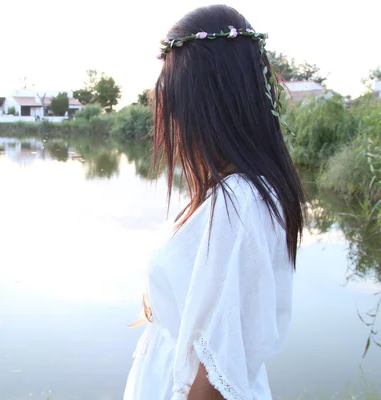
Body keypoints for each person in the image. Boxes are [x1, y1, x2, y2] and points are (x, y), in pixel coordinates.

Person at [123, 4, 306, 400]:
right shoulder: (236, 191)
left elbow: (218, 378)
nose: (173, 117)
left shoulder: (241, 203)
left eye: (175, 99)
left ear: (205, 103)